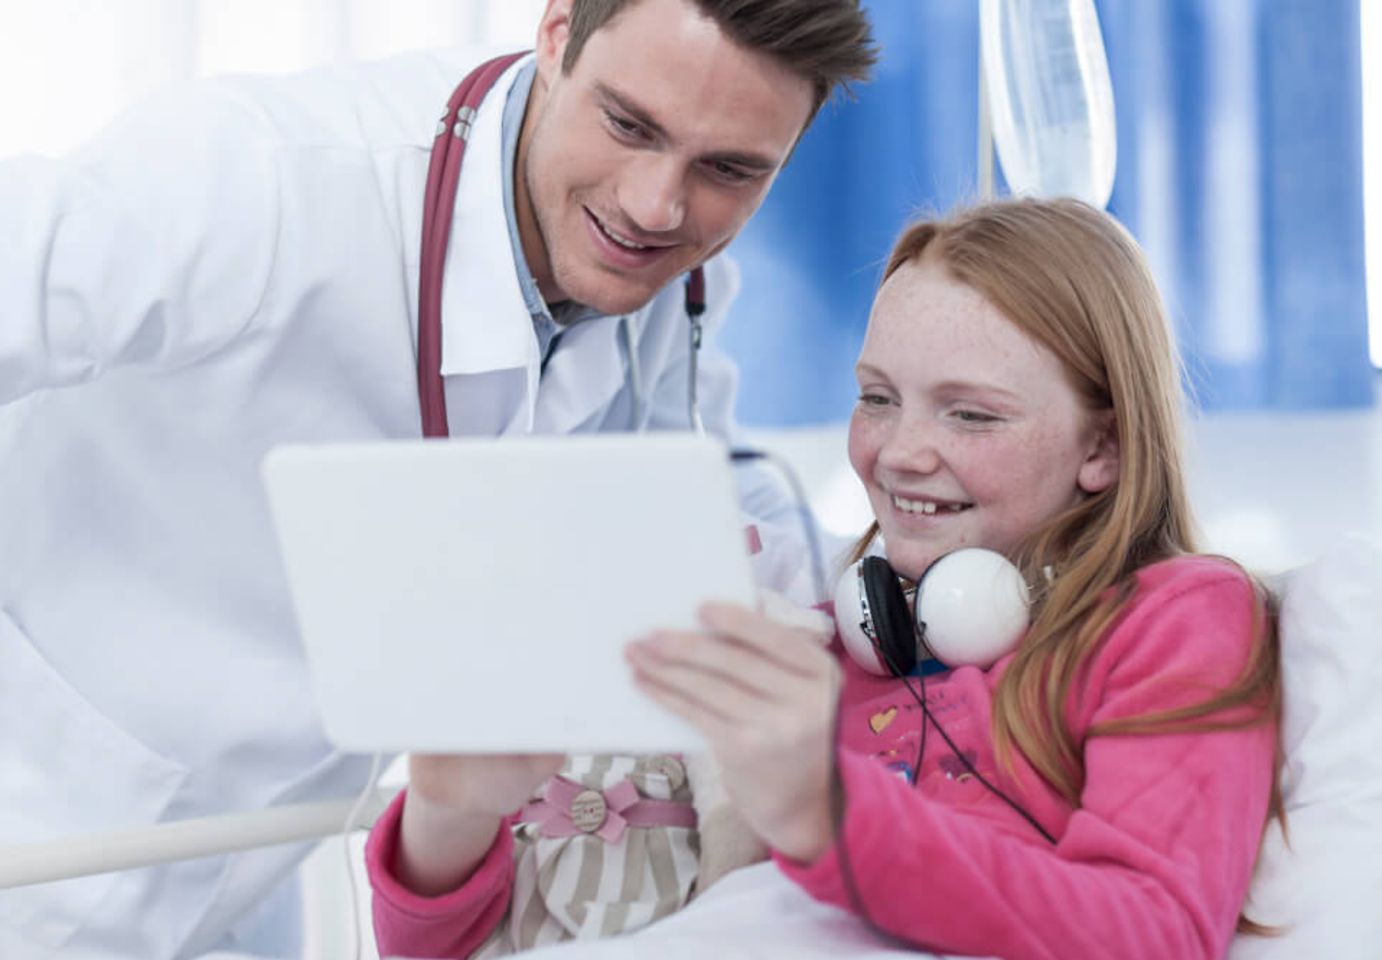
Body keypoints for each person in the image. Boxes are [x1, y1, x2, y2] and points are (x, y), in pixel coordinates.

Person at [0, 1, 877, 957]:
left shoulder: (676, 289)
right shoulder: (263, 176)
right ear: (555, 32)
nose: (656, 205)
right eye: (629, 125)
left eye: (730, 170)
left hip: (249, 865)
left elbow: (692, 503)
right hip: (41, 813)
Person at [369, 197, 1282, 960]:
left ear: (1105, 446)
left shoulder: (1175, 619)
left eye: (969, 413)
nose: (899, 453)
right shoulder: (814, 657)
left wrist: (826, 810)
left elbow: (1154, 933)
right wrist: (449, 820)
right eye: (877, 397)